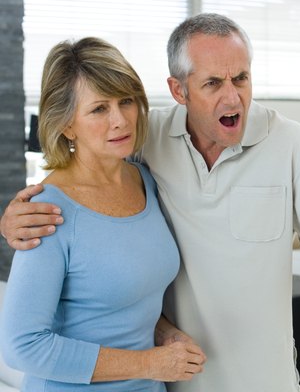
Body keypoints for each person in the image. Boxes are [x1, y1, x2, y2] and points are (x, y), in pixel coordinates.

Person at [0, 14, 300, 391]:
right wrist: (10, 221)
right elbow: (24, 339)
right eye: (213, 83)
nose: (232, 98)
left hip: (257, 378)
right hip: (175, 379)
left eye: (241, 78)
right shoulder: (146, 143)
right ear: (178, 90)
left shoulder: (288, 144)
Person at [0, 37, 206, 391]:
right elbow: (21, 346)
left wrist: (166, 334)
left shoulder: (144, 179)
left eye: (126, 101)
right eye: (98, 109)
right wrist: (149, 363)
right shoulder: (47, 212)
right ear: (66, 125)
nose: (120, 120)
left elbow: (123, 298)